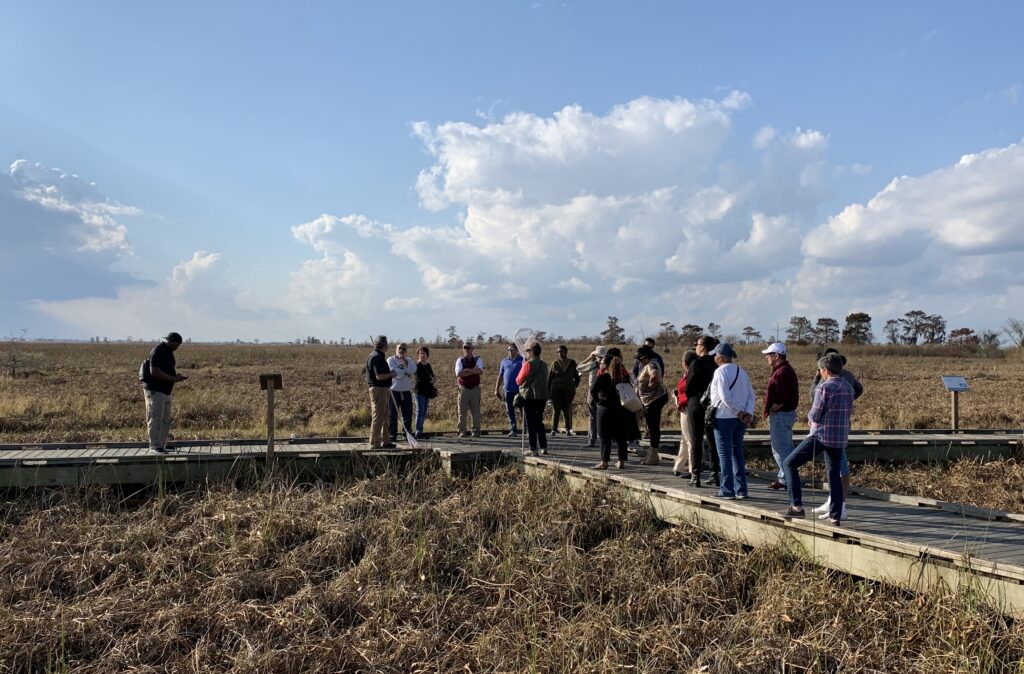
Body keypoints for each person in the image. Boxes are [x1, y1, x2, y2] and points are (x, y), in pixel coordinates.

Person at [781, 353, 855, 526]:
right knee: (834, 474)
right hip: (839, 437)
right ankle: (836, 515)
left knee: (789, 464)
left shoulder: (824, 388)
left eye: (821, 370)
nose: (820, 373)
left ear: (826, 370)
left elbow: (814, 414)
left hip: (822, 435)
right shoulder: (848, 387)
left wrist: (810, 417)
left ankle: (796, 506)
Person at [810, 347, 864, 520]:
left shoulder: (830, 380)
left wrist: (816, 377)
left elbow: (814, 396)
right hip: (840, 425)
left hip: (829, 427)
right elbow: (859, 389)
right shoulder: (847, 376)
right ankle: (833, 501)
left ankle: (840, 506)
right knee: (835, 465)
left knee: (839, 465)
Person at [708, 342, 756, 499]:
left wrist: (739, 412)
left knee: (725, 454)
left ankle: (727, 490)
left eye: (715, 355)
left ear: (720, 358)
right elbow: (751, 395)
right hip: (739, 420)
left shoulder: (720, 372)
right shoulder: (742, 371)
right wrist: (746, 413)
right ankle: (741, 489)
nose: (714, 358)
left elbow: (724, 397)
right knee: (737, 453)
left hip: (723, 417)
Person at [684, 335, 721, 486]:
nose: (695, 347)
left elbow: (689, 386)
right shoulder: (716, 364)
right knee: (712, 440)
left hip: (696, 402)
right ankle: (715, 474)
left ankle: (696, 475)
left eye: (697, 344)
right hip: (712, 404)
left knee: (696, 440)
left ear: (703, 347)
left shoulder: (696, 363)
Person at [142, 332, 187, 453]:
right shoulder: (158, 351)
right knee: (155, 418)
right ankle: (155, 446)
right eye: (175, 345)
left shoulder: (168, 352)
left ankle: (162, 444)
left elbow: (166, 371)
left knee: (165, 419)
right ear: (169, 341)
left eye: (178, 345)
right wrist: (172, 379)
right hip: (155, 390)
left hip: (166, 390)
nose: (177, 347)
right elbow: (155, 372)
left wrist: (176, 377)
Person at [762, 342, 799, 490]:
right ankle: (785, 477)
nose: (767, 357)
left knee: (779, 448)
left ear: (776, 356)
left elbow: (781, 398)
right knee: (786, 447)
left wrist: (772, 410)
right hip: (787, 414)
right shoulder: (785, 370)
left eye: (769, 355)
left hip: (781, 415)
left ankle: (787, 479)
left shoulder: (781, 372)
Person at [591, 353, 631, 470]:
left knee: (604, 436)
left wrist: (599, 401)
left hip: (605, 409)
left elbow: (593, 390)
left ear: (606, 365)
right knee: (621, 437)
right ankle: (621, 461)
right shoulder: (624, 378)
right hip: (621, 409)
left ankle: (604, 462)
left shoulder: (603, 377)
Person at [635, 345, 669, 465]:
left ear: (645, 358)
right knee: (652, 427)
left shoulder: (651, 365)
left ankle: (654, 456)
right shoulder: (650, 364)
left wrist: (651, 384)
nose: (638, 361)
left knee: (653, 428)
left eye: (640, 359)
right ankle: (651, 454)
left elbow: (654, 374)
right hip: (652, 400)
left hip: (653, 400)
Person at [515, 342, 550, 455]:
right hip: (542, 397)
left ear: (532, 352)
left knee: (530, 423)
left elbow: (518, 381)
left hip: (529, 397)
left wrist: (523, 366)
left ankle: (533, 448)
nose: (526, 353)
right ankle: (544, 447)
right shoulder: (544, 365)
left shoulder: (527, 364)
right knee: (539, 422)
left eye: (528, 351)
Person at [365, 335, 396, 449]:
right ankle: (374, 443)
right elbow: (379, 376)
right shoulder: (377, 357)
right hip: (379, 389)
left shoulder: (376, 355)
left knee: (385, 415)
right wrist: (391, 374)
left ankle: (385, 441)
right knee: (378, 416)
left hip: (382, 389)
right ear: (384, 345)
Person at [672, 350, 698, 477]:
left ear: (685, 362)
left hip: (687, 408)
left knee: (690, 440)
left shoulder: (691, 375)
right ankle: (679, 466)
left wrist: (680, 400)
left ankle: (692, 469)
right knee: (684, 439)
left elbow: (689, 393)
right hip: (683, 408)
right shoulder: (687, 373)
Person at [577, 345, 607, 447]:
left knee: (592, 415)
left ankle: (592, 439)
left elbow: (579, 367)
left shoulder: (593, 364)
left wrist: (588, 358)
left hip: (593, 390)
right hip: (605, 392)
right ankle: (606, 439)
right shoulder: (608, 365)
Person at [387, 343, 417, 442]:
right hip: (394, 391)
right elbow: (393, 372)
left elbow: (412, 370)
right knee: (392, 414)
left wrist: (405, 364)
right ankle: (392, 434)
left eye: (404, 349)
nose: (402, 350)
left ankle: (406, 433)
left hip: (406, 391)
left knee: (407, 414)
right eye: (400, 348)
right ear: (396, 349)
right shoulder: (390, 360)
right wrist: (404, 372)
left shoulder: (409, 361)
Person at [548, 345, 581, 435]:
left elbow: (577, 378)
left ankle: (568, 429)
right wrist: (548, 394)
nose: (559, 353)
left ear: (566, 352)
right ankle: (553, 429)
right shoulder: (554, 364)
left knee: (566, 409)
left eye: (561, 351)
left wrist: (574, 387)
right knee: (556, 410)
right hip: (556, 391)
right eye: (558, 352)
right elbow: (550, 379)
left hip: (568, 391)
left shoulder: (572, 363)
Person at [495, 343, 524, 436]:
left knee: (523, 409)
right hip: (507, 390)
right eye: (508, 350)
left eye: (511, 350)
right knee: (510, 410)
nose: (509, 352)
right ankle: (513, 429)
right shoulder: (504, 361)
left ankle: (526, 429)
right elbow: (500, 375)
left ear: (516, 350)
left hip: (520, 390)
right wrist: (496, 389)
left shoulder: (522, 360)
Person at [455, 341, 484, 437]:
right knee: (462, 411)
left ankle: (475, 430)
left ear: (472, 349)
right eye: (465, 348)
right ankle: (462, 431)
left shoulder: (478, 359)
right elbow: (459, 374)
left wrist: (467, 370)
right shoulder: (460, 360)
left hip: (475, 389)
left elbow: (479, 371)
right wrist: (473, 371)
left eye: (468, 348)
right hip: (463, 389)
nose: (466, 350)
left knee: (475, 411)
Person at [412, 346, 436, 437]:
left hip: (427, 391)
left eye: (423, 353)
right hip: (419, 391)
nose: (422, 355)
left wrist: (433, 379)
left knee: (424, 412)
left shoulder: (428, 365)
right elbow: (420, 379)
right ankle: (418, 432)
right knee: (420, 411)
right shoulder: (417, 365)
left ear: (427, 355)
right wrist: (431, 380)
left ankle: (420, 431)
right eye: (420, 353)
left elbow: (432, 376)